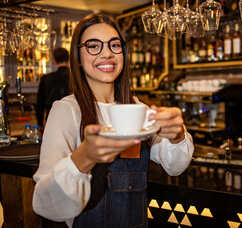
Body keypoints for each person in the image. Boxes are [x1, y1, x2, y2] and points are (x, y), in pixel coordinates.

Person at [32, 13, 194, 228]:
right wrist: (83, 157)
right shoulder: (67, 110)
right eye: (93, 46)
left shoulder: (137, 108)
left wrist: (177, 135)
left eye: (114, 45)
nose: (107, 53)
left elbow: (175, 166)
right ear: (77, 58)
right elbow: (47, 205)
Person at [36, 47, 70, 129]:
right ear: (69, 58)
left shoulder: (46, 79)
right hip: (72, 118)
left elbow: (40, 103)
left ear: (54, 61)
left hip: (52, 118)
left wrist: (40, 124)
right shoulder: (76, 77)